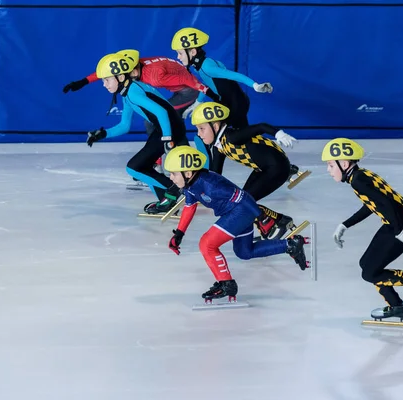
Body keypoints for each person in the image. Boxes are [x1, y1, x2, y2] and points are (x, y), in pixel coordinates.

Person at [165, 145, 308, 303]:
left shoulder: (211, 185)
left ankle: (227, 284)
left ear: (188, 173)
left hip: (241, 211)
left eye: (173, 173)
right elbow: (189, 206)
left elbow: (244, 197)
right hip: (235, 213)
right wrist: (179, 234)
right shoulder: (190, 185)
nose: (171, 177)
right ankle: (290, 245)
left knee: (206, 244)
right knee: (244, 252)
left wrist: (261, 217)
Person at [321, 138, 403, 320]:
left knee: (370, 272)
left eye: (330, 165)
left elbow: (384, 202)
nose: (328, 170)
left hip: (400, 224)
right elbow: (373, 204)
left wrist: (400, 232)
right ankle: (397, 306)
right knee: (366, 266)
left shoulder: (357, 181)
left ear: (344, 163)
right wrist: (345, 225)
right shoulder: (360, 176)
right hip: (396, 223)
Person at [63, 49, 217, 166]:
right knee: (159, 123)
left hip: (189, 92)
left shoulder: (153, 77)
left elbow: (187, 79)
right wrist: (84, 81)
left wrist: (201, 98)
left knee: (161, 122)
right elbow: (108, 71)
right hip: (178, 91)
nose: (131, 72)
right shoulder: (132, 79)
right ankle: (176, 158)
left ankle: (179, 160)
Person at [86, 52, 188, 214]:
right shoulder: (128, 92)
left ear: (120, 77)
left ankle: (174, 189)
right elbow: (124, 126)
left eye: (106, 79)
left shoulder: (133, 92)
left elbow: (161, 112)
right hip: (166, 128)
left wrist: (167, 138)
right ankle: (167, 200)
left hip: (169, 128)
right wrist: (103, 134)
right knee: (142, 166)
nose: (104, 84)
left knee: (134, 168)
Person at [190, 101, 301, 239]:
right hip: (263, 169)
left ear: (216, 126)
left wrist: (279, 134)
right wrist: (193, 182)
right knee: (242, 199)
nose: (199, 134)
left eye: (201, 129)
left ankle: (276, 222)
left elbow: (260, 126)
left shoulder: (232, 137)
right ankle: (273, 222)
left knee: (243, 202)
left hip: (277, 168)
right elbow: (214, 174)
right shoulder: (219, 146)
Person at [171, 27, 273, 129]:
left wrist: (255, 85)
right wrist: (198, 102)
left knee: (226, 134)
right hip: (229, 102)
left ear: (193, 52)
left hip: (235, 104)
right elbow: (208, 83)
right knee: (236, 134)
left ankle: (264, 131)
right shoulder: (201, 65)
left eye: (180, 53)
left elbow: (234, 75)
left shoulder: (207, 67)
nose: (178, 57)